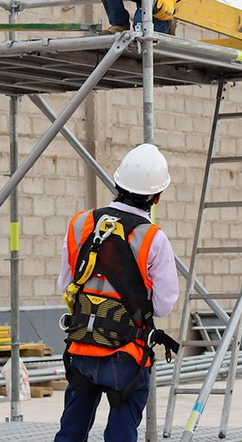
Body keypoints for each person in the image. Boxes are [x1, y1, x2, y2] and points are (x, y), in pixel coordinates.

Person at [55, 143, 180, 442]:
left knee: (71, 431)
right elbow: (163, 306)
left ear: (117, 183)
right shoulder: (153, 238)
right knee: (121, 433)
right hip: (127, 353)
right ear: (157, 196)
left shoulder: (81, 223)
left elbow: (65, 285)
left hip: (82, 346)